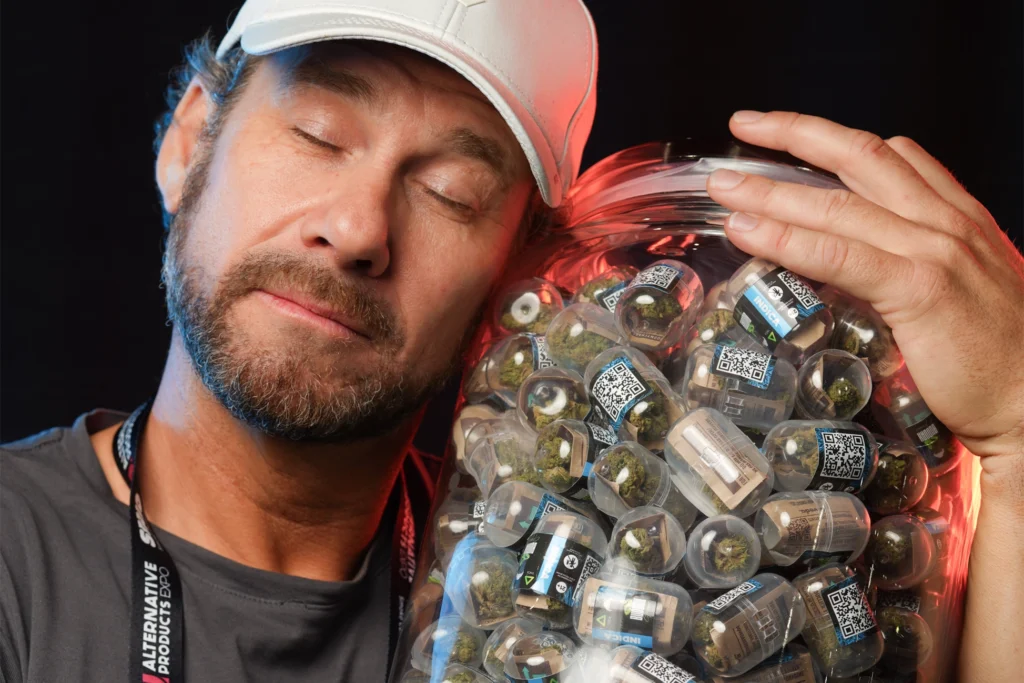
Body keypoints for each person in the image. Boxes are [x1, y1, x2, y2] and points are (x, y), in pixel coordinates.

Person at [0, 1, 1020, 682]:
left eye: (451, 190)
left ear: (521, 267)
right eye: (318, 133)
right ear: (189, 147)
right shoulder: (18, 566)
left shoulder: (563, 578)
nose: (356, 228)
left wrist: (1015, 435)